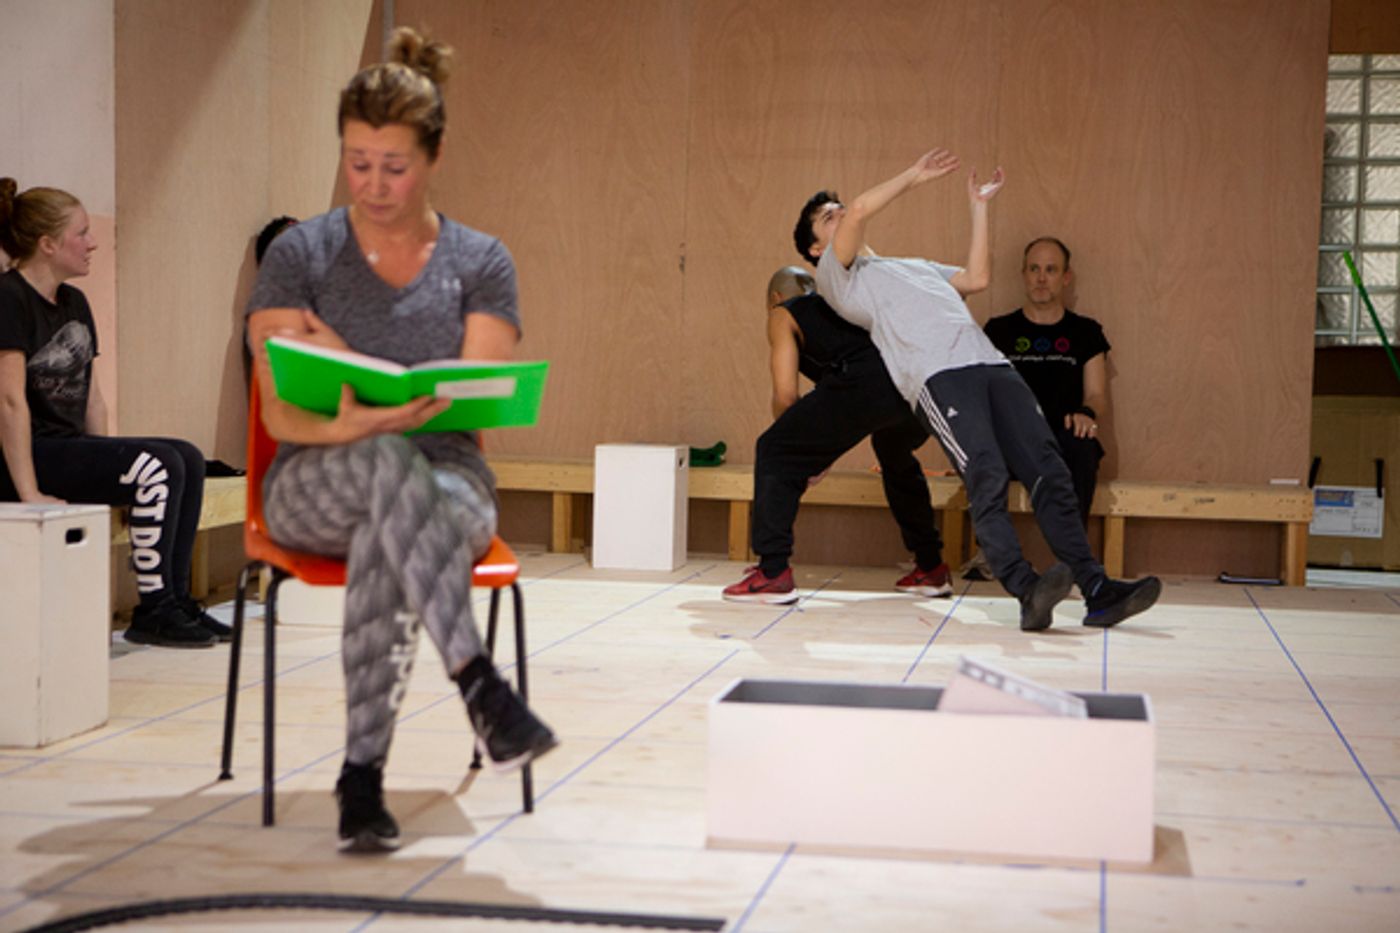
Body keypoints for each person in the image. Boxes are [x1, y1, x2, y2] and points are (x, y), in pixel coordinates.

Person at [245, 27, 557, 854]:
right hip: (315, 476)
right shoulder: (298, 254)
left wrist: (359, 373)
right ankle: (479, 681)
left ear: (436, 154)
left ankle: (362, 779)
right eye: (357, 161)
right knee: (385, 466)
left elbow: (473, 393)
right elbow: (280, 417)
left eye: (395, 164)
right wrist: (367, 419)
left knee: (396, 509)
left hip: (449, 477)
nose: (374, 184)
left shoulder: (480, 260)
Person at [795, 148, 1160, 631]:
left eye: (837, 208)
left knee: (1048, 468)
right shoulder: (836, 280)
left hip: (992, 366)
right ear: (818, 249)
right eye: (827, 216)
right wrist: (914, 175)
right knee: (985, 472)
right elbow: (861, 210)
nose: (840, 212)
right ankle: (1026, 588)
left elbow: (977, 278)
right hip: (938, 376)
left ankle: (1097, 588)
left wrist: (980, 206)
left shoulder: (912, 266)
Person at [0, 178, 228, 648]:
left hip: (67, 449)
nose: (93, 242)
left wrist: (106, 463)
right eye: (82, 233)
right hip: (29, 454)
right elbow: (9, 401)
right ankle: (154, 608)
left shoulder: (74, 302)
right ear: (48, 244)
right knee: (158, 464)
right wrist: (28, 491)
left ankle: (176, 598)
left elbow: (92, 398)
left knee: (185, 456)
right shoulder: (9, 298)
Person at [722, 266, 952, 603]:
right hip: (913, 385)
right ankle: (931, 567)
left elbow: (786, 396)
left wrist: (804, 454)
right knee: (893, 450)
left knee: (774, 447)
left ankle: (772, 572)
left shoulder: (782, 313)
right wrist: (818, 449)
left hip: (865, 382)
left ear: (774, 297)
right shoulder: (841, 308)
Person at [984, 237, 1107, 527]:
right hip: (1012, 439)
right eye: (1034, 269)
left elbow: (1097, 395)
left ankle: (1073, 558)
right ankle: (989, 554)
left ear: (1065, 278)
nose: (1041, 278)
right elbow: (981, 390)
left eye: (1050, 270)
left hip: (1062, 441)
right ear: (1023, 274)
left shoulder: (1086, 332)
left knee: (1083, 445)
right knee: (982, 445)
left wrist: (1086, 414)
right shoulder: (998, 330)